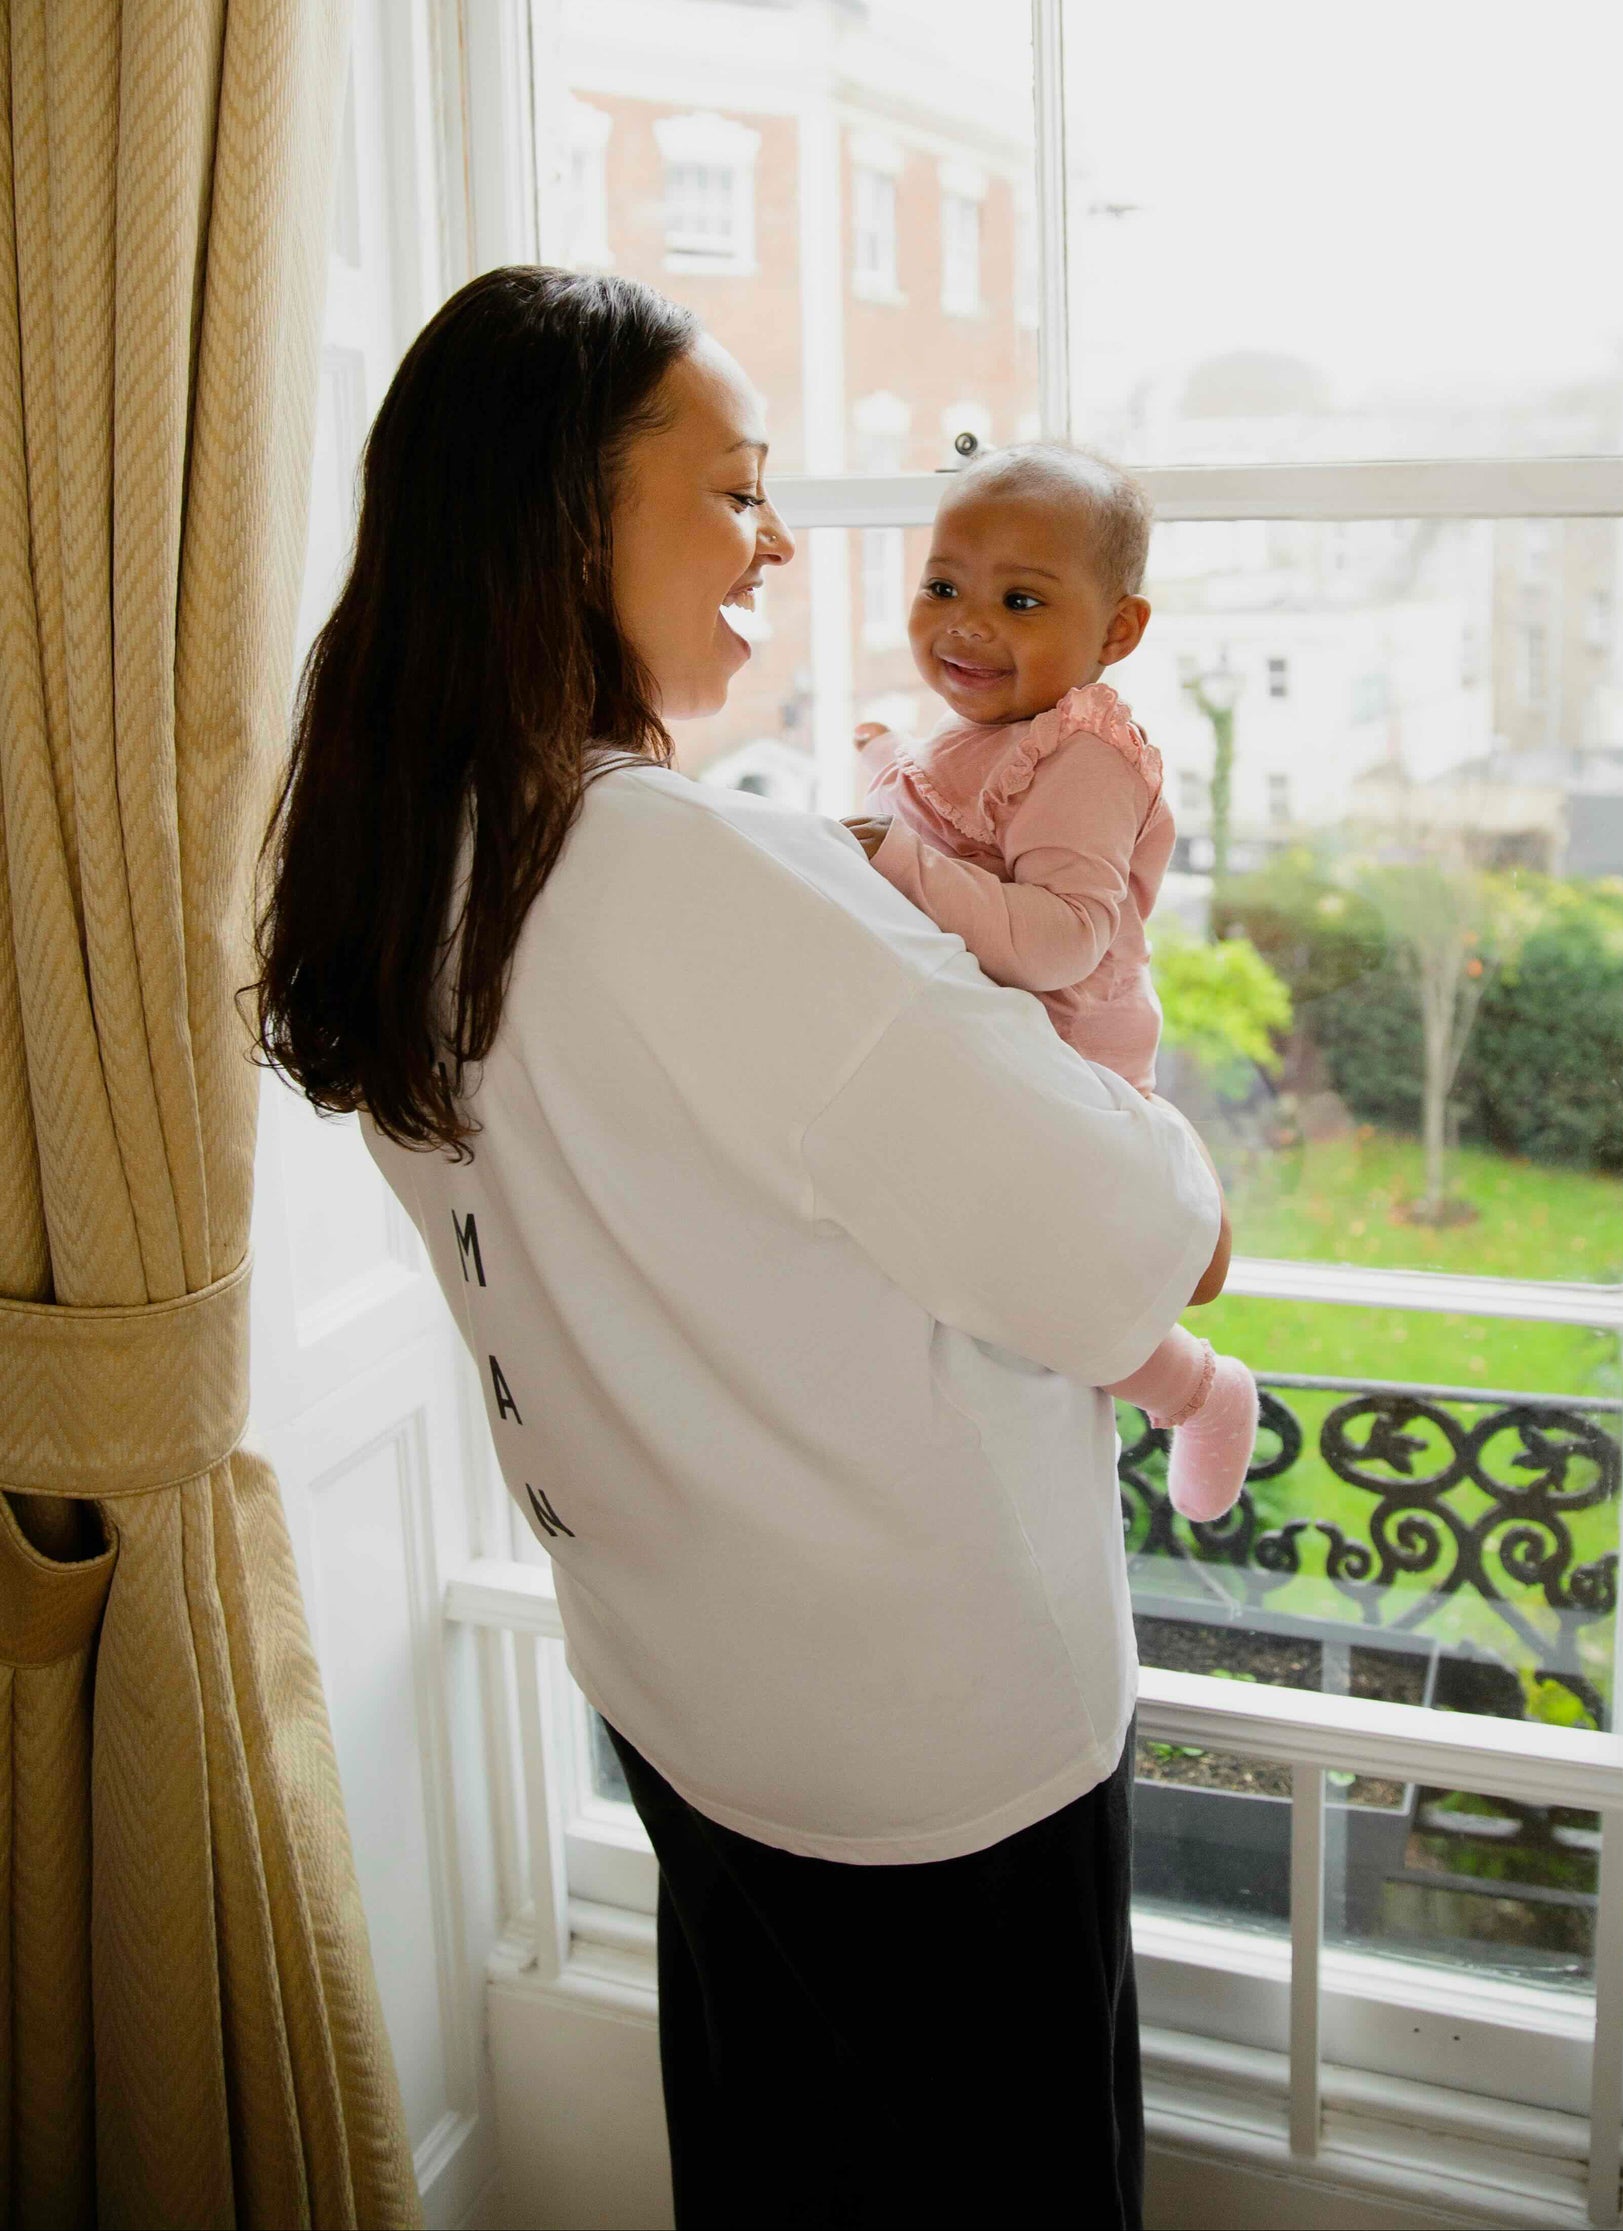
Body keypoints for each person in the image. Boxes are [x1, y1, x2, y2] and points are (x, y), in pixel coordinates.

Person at [253, 267, 1223, 2229]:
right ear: (561, 519)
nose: (777, 536)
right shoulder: (693, 875)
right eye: (734, 487)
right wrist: (1173, 1151)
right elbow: (1126, 1241)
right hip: (921, 1750)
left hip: (691, 1697)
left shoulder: (414, 856)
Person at [845, 442, 1260, 1522]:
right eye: (943, 586)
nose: (965, 622)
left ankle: (1201, 1390)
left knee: (1034, 1275)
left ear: (1116, 631)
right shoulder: (977, 736)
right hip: (991, 1050)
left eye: (1019, 598)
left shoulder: (1083, 755)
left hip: (1069, 1051)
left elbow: (1059, 941)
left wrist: (891, 856)